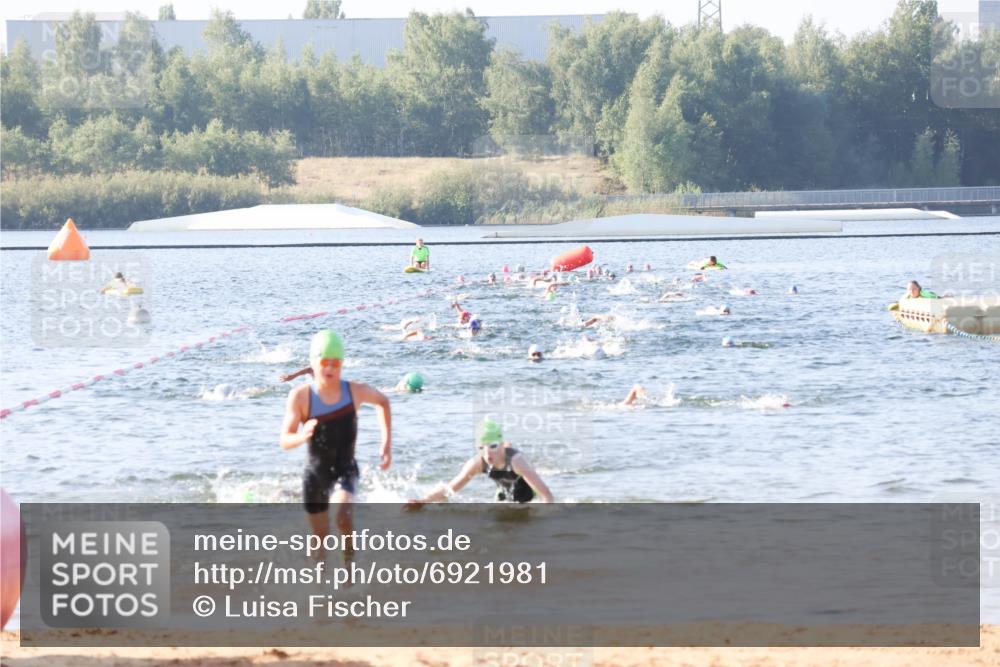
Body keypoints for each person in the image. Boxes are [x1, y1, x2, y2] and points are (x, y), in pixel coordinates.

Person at [280, 330, 391, 561]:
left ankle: (348, 571)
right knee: (319, 537)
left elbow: (383, 402)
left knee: (342, 517)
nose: (330, 369)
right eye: (324, 363)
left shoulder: (355, 391)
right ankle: (318, 585)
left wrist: (386, 443)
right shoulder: (300, 397)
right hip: (315, 474)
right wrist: (303, 435)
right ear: (313, 364)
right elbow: (285, 440)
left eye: (336, 363)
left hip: (345, 468)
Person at [408, 418, 553, 505]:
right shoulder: (478, 463)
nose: (487, 454)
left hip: (529, 496)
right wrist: (423, 501)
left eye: (493, 446)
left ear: (501, 444)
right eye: (481, 448)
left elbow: (546, 495)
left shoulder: (517, 461)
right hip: (504, 494)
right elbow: (450, 489)